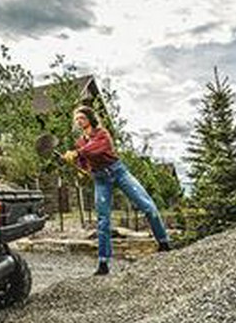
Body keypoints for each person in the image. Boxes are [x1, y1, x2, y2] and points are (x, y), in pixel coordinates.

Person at [63, 106, 170, 276]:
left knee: (147, 206)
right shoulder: (80, 142)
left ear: (90, 118)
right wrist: (79, 166)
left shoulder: (102, 134)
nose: (78, 121)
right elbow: (85, 161)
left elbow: (98, 148)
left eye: (82, 117)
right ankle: (103, 263)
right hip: (101, 179)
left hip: (119, 172)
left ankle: (164, 243)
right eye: (76, 119)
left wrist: (77, 153)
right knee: (103, 220)